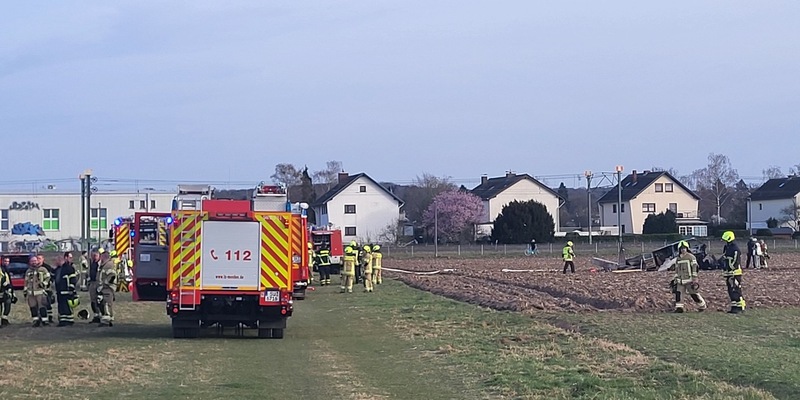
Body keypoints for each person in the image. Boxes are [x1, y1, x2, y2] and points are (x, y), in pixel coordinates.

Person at [670, 241, 707, 313]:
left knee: (694, 294)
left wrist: (694, 278)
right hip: (680, 280)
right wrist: (675, 278)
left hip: (689, 280)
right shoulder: (678, 259)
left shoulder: (691, 257)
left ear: (687, 248)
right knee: (679, 294)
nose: (683, 250)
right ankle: (679, 308)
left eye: (684, 248)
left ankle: (702, 306)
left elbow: (695, 267)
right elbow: (677, 270)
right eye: (681, 248)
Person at [721, 231, 745, 314]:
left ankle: (740, 307)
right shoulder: (727, 247)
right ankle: (734, 306)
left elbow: (735, 261)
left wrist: (730, 267)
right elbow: (725, 257)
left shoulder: (735, 249)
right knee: (731, 290)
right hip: (729, 273)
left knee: (736, 289)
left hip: (735, 273)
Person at [24, 255, 50, 327]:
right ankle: (35, 321)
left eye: (35, 261)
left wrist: (43, 284)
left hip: (40, 292)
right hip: (31, 293)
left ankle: (45, 321)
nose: (34, 262)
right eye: (32, 261)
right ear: (30, 262)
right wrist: (25, 291)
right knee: (33, 307)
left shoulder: (43, 269)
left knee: (42, 306)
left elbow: (48, 277)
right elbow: (26, 282)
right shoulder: (28, 271)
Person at [54, 252, 78, 326]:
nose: (55, 262)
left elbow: (73, 279)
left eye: (57, 261)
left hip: (66, 291)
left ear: (60, 260)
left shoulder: (69, 268)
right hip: (59, 291)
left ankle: (69, 320)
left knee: (66, 306)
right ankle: (63, 320)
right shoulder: (58, 269)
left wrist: (71, 289)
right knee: (61, 306)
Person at [98, 250, 117, 326]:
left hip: (108, 288)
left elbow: (112, 275)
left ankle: (107, 321)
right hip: (105, 288)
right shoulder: (105, 265)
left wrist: (106, 283)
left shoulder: (109, 265)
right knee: (104, 303)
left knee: (107, 303)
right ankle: (107, 319)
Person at [37, 254, 55, 323]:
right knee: (39, 304)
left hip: (47, 289)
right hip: (38, 289)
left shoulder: (47, 267)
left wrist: (49, 283)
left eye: (39, 258)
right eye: (37, 258)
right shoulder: (35, 268)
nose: (38, 260)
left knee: (48, 303)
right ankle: (40, 317)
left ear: (43, 259)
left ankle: (50, 317)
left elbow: (52, 276)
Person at [87, 249, 102, 323]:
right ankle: (96, 316)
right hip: (92, 283)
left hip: (98, 283)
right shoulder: (91, 263)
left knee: (99, 300)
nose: (94, 257)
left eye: (95, 255)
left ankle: (101, 315)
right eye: (92, 255)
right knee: (93, 301)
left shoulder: (101, 264)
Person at [0, 257, 15, 327]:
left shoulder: (6, 270)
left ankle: (4, 319)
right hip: (2, 290)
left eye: (8, 261)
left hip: (6, 291)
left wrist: (12, 292)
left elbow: (9, 282)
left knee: (8, 303)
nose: (6, 263)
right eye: (5, 261)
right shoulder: (2, 269)